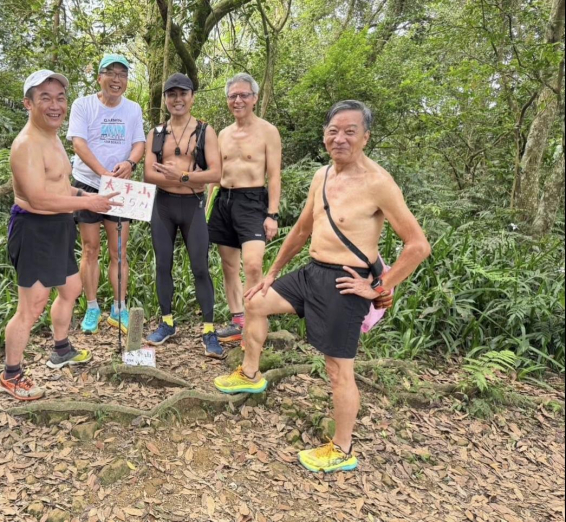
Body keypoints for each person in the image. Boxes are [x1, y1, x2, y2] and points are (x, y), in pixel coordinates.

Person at [214, 100, 431, 473]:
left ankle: (342, 449)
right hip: (312, 271)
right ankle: (250, 375)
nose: (340, 138)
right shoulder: (322, 176)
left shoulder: (378, 183)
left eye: (350, 131)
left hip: (347, 283)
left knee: (337, 368)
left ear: (366, 137)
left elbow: (418, 245)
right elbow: (301, 230)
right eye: (333, 131)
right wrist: (271, 271)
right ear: (324, 136)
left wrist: (377, 286)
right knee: (255, 302)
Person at [0, 70, 120, 400]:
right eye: (45, 98)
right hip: (35, 229)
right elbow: (36, 197)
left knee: (72, 287)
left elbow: (59, 185)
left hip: (60, 226)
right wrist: (88, 201)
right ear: (28, 104)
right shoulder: (26, 144)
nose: (55, 105)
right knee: (31, 306)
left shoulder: (51, 138)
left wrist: (86, 194)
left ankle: (61, 349)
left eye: (60, 98)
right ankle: (10, 375)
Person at [142, 73, 223, 358]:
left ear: (192, 97)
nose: (177, 99)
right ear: (165, 99)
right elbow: (149, 174)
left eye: (183, 94)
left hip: (193, 207)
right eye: (171, 94)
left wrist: (183, 175)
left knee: (200, 266)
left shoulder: (204, 131)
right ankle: (166, 323)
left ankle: (209, 329)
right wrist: (188, 179)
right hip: (162, 206)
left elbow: (216, 173)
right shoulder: (157, 133)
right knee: (163, 263)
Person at [67, 54, 146, 335]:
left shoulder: (133, 109)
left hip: (120, 187)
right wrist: (102, 172)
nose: (116, 79)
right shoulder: (83, 104)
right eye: (110, 73)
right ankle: (91, 307)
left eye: (122, 74)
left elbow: (139, 143)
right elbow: (78, 143)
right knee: (90, 248)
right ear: (99, 77)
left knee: (119, 251)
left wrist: (130, 163)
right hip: (88, 184)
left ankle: (119, 307)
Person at [207, 73, 282, 343]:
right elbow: (214, 176)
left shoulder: (268, 131)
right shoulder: (223, 134)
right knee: (229, 264)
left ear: (255, 98)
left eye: (243, 95)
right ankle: (238, 319)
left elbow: (274, 175)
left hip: (252, 201)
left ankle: (254, 317)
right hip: (223, 200)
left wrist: (272, 214)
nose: (238, 100)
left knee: (252, 265)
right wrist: (206, 209)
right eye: (233, 96)